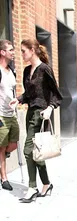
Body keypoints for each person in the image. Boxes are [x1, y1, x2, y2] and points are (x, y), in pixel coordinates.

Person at [10, 39, 62, 203]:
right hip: (30, 112)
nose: (22, 54)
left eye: (24, 51)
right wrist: (18, 100)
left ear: (32, 50)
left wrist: (50, 108)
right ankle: (46, 184)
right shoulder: (27, 71)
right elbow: (28, 94)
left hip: (42, 114)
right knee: (36, 151)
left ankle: (32, 187)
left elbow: (55, 93)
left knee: (28, 151)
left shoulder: (45, 69)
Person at [0, 39, 20, 191]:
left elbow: (13, 91)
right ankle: (4, 178)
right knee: (1, 147)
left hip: (12, 114)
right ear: (2, 52)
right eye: (11, 50)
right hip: (0, 115)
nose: (13, 52)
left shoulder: (11, 70)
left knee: (13, 144)